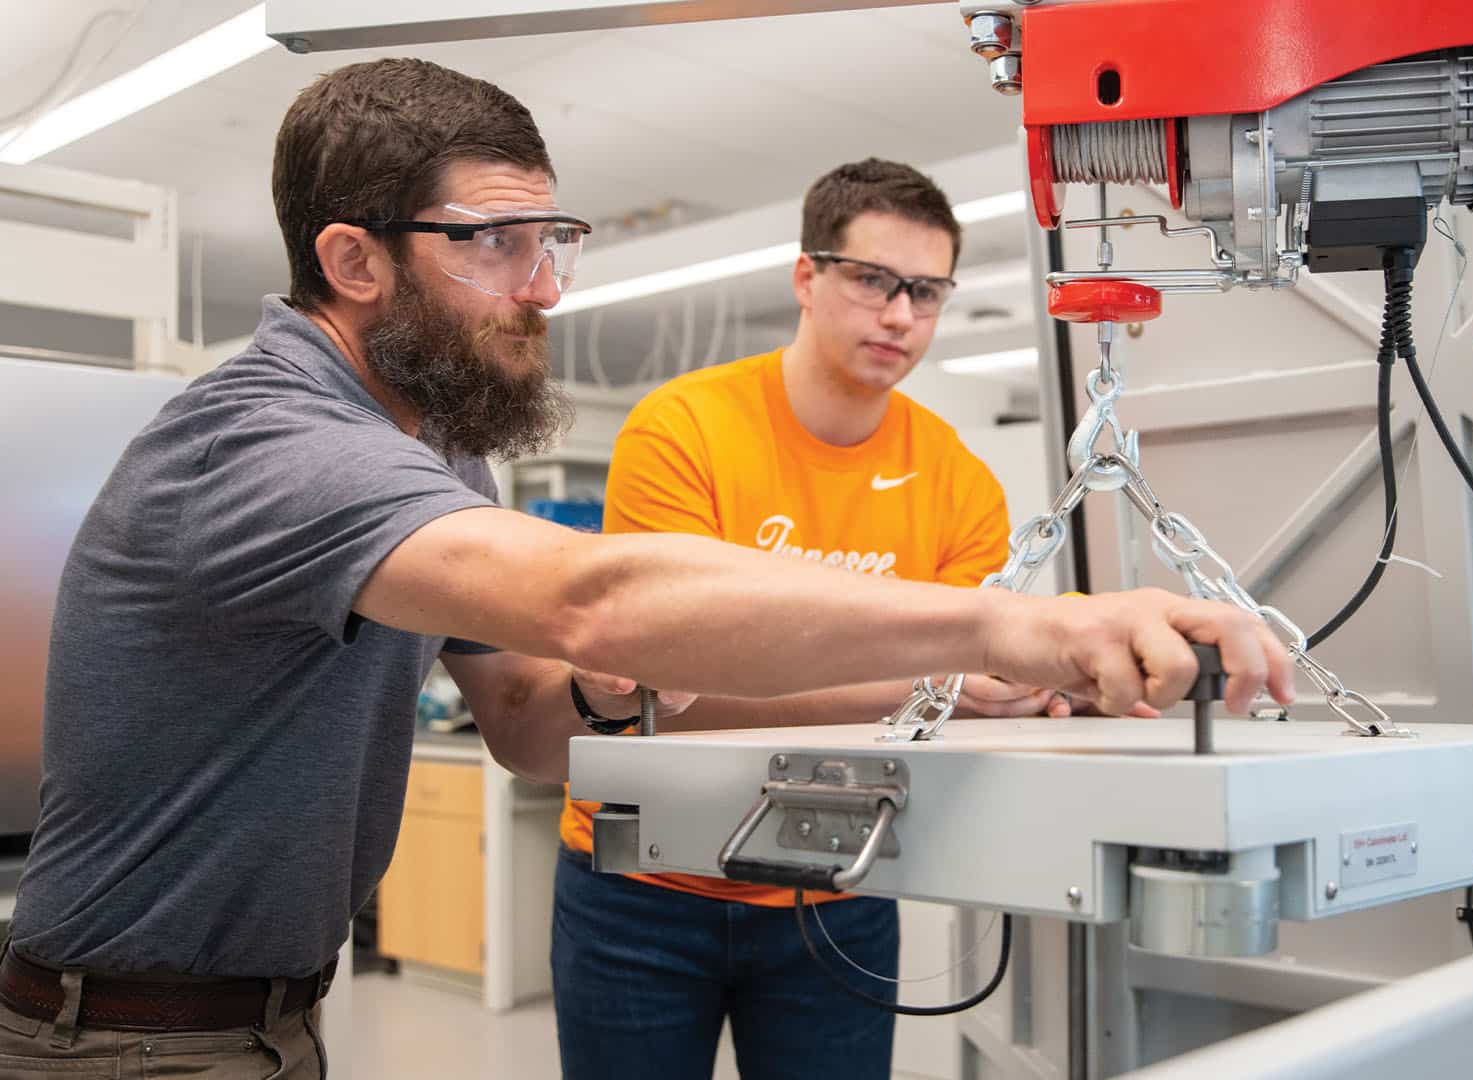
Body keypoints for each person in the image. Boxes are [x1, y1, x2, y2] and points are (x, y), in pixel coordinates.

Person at [0, 59, 1293, 1077]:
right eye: (495, 245)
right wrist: (1009, 631)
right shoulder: (268, 440)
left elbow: (529, 715)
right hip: (123, 1037)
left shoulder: (440, 450)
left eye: (551, 239)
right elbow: (593, 597)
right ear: (353, 260)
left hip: (266, 1018)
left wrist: (628, 690)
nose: (544, 287)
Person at [551, 158, 1075, 1079]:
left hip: (843, 882)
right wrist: (926, 678)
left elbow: (972, 691)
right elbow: (668, 694)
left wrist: (1013, 687)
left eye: (925, 290)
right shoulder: (683, 431)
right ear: (807, 276)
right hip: (642, 886)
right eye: (874, 280)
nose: (900, 315)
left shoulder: (955, 478)